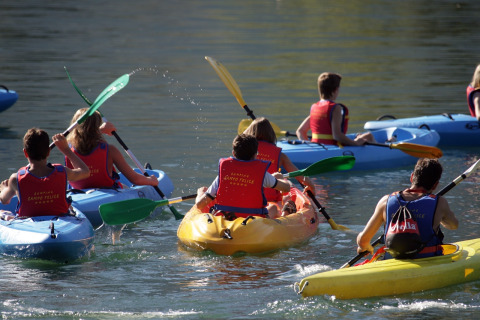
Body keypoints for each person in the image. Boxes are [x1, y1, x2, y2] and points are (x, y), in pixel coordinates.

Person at [356, 158, 458, 260]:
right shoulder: (439, 202)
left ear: (412, 177)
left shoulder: (385, 201)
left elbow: (363, 241)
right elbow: (453, 225)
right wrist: (439, 216)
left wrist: (365, 247)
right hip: (427, 260)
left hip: (392, 261)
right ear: (435, 185)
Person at [195, 133, 291, 219]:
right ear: (255, 155)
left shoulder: (224, 171)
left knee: (206, 194)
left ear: (233, 153)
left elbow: (199, 205)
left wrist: (200, 193)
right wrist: (279, 178)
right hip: (254, 221)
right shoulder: (262, 174)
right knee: (273, 207)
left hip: (226, 219)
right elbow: (286, 188)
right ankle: (285, 214)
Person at [0, 128, 90, 219]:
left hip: (28, 224)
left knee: (2, 213)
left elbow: (4, 201)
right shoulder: (62, 172)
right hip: (60, 221)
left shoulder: (15, 179)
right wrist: (66, 149)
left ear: (25, 153)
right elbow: (85, 172)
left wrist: (4, 188)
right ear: (48, 152)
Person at [65, 108, 158, 189]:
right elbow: (135, 179)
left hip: (78, 193)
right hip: (109, 191)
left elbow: (86, 138)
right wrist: (151, 180)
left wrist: (100, 131)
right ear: (97, 126)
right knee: (126, 186)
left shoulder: (66, 148)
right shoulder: (110, 150)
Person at [243, 117, 316, 217]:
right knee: (287, 184)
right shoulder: (280, 156)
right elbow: (299, 174)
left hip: (247, 199)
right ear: (271, 135)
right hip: (271, 201)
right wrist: (311, 186)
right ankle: (284, 212)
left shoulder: (244, 152)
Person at [296, 72, 375, 146]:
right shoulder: (335, 108)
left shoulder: (314, 107)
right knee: (369, 135)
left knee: (361, 136)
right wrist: (356, 142)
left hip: (317, 146)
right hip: (332, 148)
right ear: (335, 90)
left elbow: (300, 131)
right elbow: (337, 136)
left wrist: (309, 146)